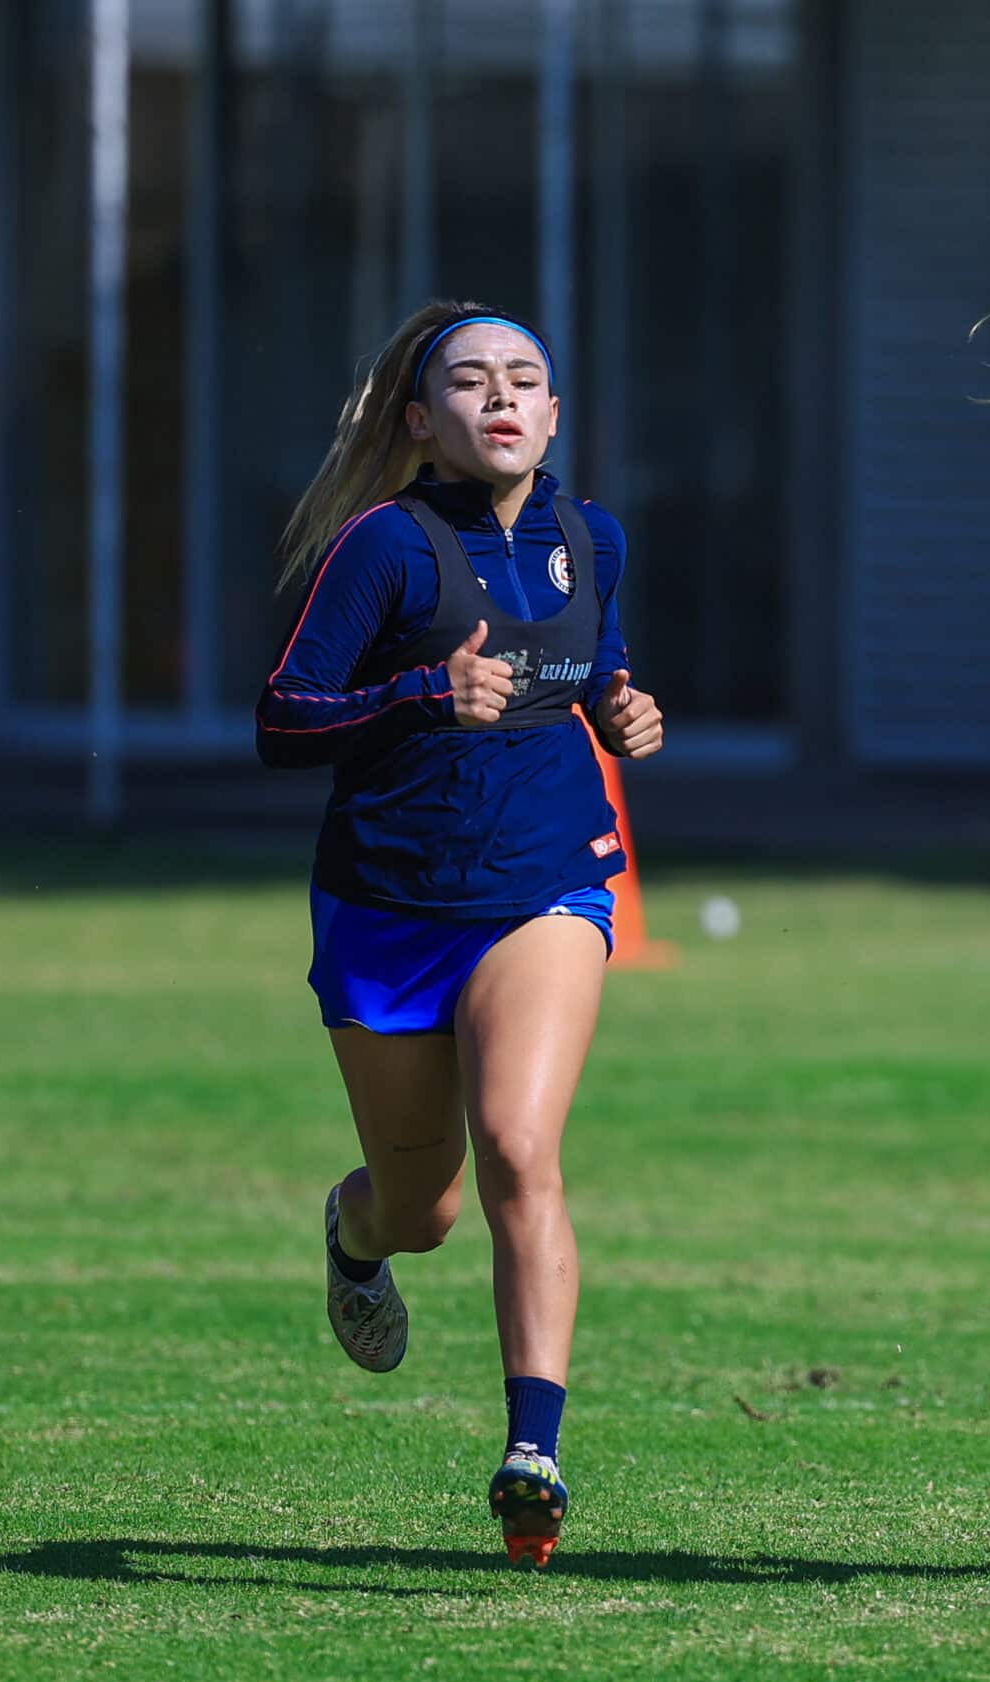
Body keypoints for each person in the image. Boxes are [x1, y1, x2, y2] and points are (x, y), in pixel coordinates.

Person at [257, 302, 664, 1567]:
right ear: (420, 419)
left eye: (524, 379)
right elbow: (284, 718)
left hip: (545, 879)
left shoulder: (590, 537)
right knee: (422, 1210)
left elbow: (600, 673)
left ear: (553, 414)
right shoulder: (382, 545)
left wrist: (626, 711)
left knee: (519, 1145)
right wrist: (422, 694)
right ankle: (352, 1229)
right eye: (470, 382)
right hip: (385, 903)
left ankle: (532, 1448)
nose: (501, 398)